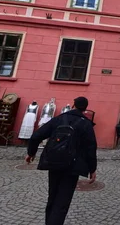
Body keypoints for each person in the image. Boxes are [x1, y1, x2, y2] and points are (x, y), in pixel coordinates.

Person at [25, 96, 97, 225]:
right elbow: (91, 149)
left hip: (54, 162)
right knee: (63, 200)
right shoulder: (86, 124)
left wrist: (31, 153)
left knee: (52, 196)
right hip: (73, 166)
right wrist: (92, 169)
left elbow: (36, 136)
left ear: (73, 105)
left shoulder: (59, 119)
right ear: (85, 109)